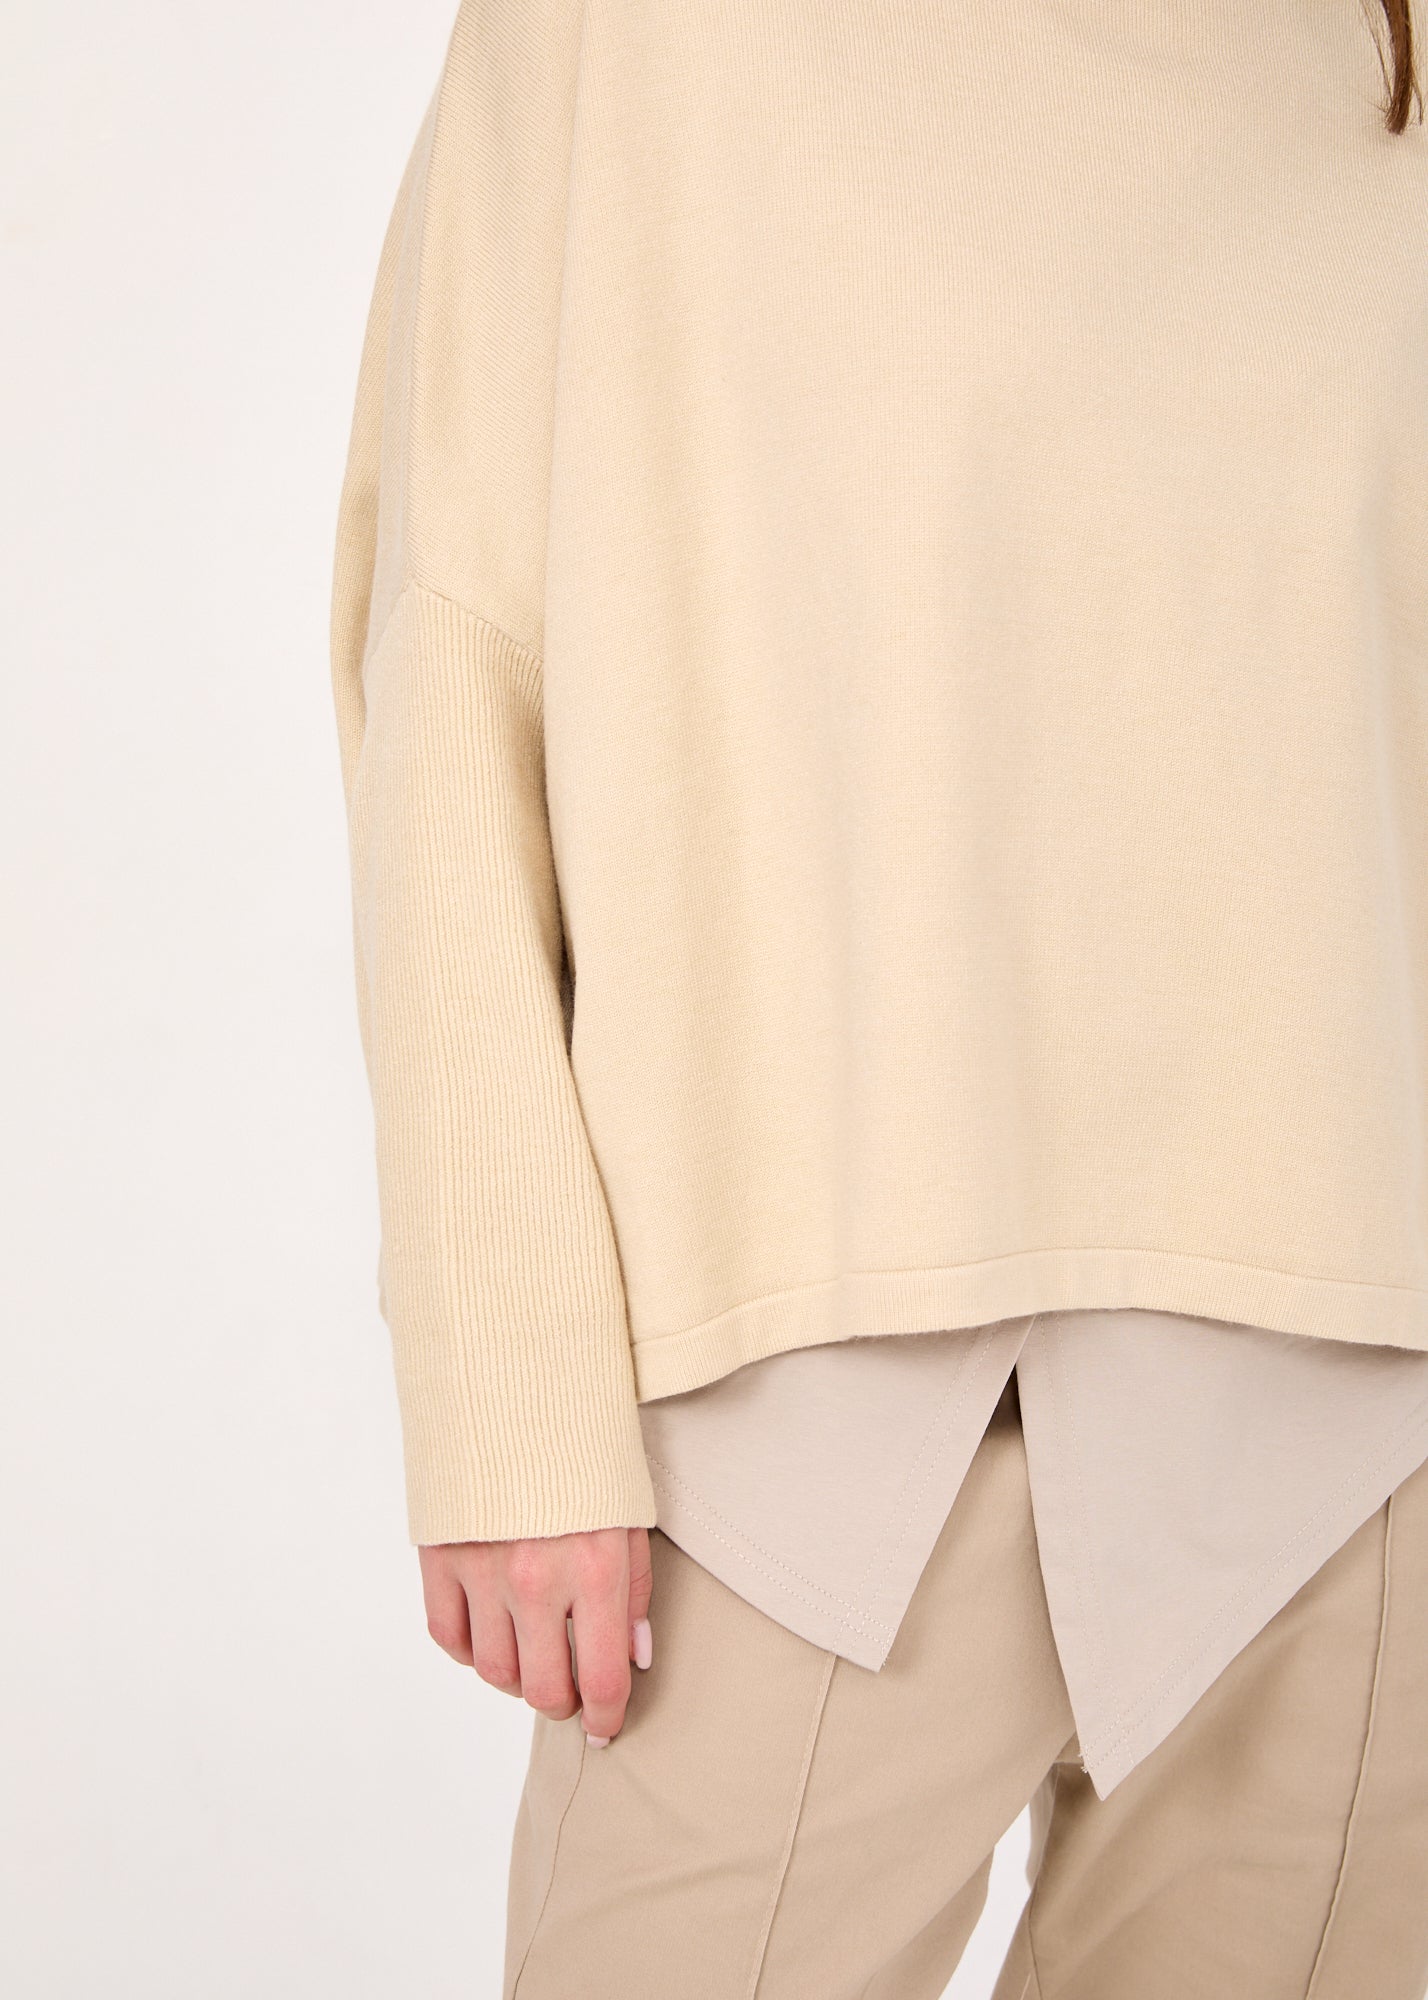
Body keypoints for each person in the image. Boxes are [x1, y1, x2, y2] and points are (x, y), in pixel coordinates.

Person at [328, 2, 1428, 1993]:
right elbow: (458, 662)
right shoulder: (633, 42)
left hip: (1366, 1427)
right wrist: (508, 1398)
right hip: (815, 1419)